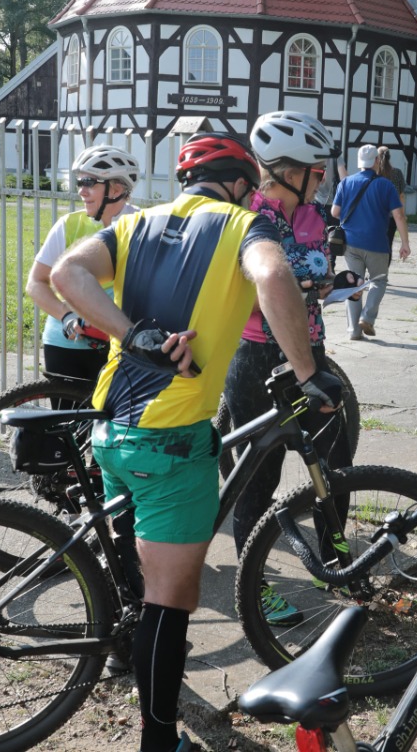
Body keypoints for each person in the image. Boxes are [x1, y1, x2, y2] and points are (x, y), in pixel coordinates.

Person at [50, 132, 342, 752]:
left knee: (138, 577)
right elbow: (275, 274)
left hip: (112, 427)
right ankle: (159, 741)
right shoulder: (243, 225)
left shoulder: (137, 222)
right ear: (240, 182)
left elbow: (64, 273)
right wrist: (308, 372)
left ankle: (129, 658)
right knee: (170, 600)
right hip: (171, 440)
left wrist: (132, 336)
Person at [224, 111, 355, 624]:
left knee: (334, 459)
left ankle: (339, 561)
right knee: (258, 476)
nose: (323, 179)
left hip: (309, 350)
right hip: (257, 356)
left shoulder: (312, 215)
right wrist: (293, 291)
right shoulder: (248, 218)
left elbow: (311, 269)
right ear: (285, 170)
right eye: (316, 171)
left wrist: (323, 285)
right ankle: (253, 588)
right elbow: (252, 290)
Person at [26, 144, 140, 382]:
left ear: (117, 187)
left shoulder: (142, 225)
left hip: (121, 346)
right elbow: (35, 283)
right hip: (66, 343)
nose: (81, 191)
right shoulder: (68, 224)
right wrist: (65, 315)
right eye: (79, 183)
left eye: (89, 182)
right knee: (66, 419)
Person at [332, 144, 411, 340]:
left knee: (354, 285)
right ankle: (367, 317)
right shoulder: (386, 185)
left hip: (350, 244)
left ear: (359, 162)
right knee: (379, 281)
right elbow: (399, 215)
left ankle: (354, 331)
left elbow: (335, 212)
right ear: (376, 161)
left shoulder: (346, 183)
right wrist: (405, 243)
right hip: (377, 244)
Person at [375, 146, 407, 263]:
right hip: (392, 216)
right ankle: (382, 273)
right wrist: (402, 214)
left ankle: (371, 272)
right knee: (388, 243)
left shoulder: (375, 174)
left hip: (376, 215)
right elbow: (401, 195)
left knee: (374, 244)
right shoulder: (397, 173)